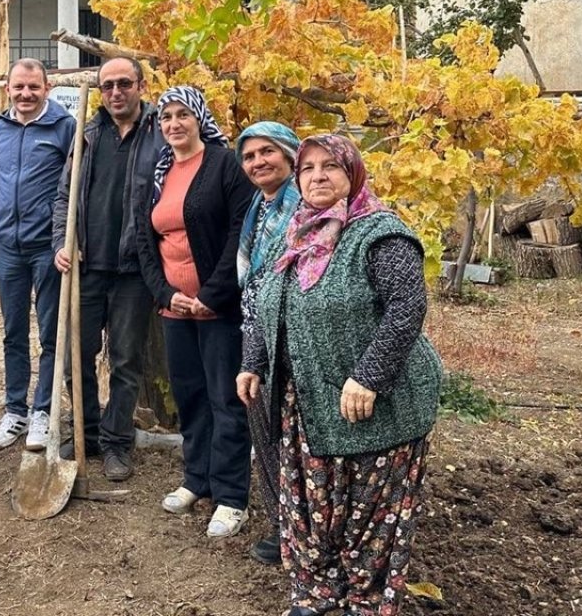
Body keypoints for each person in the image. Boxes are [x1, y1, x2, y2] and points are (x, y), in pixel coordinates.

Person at [237, 134, 441, 616]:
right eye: (307, 168)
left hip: (372, 407)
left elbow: (407, 307)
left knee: (368, 516)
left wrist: (370, 376)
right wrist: (253, 361)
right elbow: (271, 303)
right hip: (307, 403)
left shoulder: (380, 233)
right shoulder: (298, 232)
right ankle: (317, 595)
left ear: (353, 174)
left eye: (330, 166)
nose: (317, 176)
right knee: (310, 507)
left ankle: (364, 603)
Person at [134, 86, 253, 537]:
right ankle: (196, 479)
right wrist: (164, 293)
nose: (173, 124)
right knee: (190, 397)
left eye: (182, 114)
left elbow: (240, 233)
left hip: (218, 309)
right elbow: (146, 239)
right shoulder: (159, 172)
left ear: (199, 117)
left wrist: (214, 292)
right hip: (175, 311)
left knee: (226, 400)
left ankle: (230, 496)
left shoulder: (223, 166)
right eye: (165, 117)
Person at [50, 57, 160, 482]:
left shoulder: (157, 135)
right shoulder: (88, 134)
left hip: (133, 269)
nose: (116, 92)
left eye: (124, 84)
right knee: (76, 357)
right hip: (86, 267)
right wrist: (63, 241)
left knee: (127, 361)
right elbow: (64, 196)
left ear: (140, 85)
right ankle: (87, 430)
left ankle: (117, 442)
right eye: (108, 85)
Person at [0, 58, 76, 452]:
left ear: (47, 88)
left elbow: (73, 188)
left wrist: (65, 241)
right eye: (18, 87)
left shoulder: (65, 128)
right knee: (12, 333)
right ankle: (15, 410)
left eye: (33, 87)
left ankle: (43, 411)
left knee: (51, 333)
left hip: (47, 248)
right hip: (9, 248)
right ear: (8, 88)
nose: (25, 94)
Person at [232, 120, 302, 566]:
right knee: (264, 430)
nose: (258, 162)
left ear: (290, 155)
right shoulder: (258, 207)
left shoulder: (306, 208)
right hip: (255, 333)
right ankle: (282, 523)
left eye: (267, 152)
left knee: (296, 436)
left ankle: (303, 526)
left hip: (295, 341)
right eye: (249, 156)